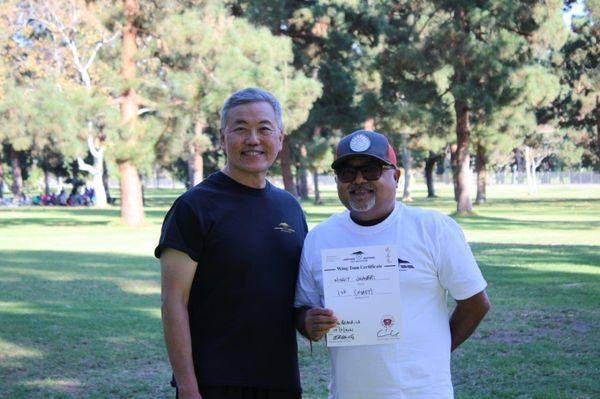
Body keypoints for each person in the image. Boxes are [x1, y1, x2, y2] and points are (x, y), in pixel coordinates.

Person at [294, 130, 490, 399]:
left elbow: (475, 302)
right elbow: (303, 307)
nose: (359, 180)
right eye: (347, 172)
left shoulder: (433, 228)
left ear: (396, 177)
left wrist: (436, 351)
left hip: (422, 393)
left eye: (372, 169)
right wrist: (308, 322)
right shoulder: (320, 238)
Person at [155, 88, 307, 399]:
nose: (253, 139)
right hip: (215, 383)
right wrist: (187, 387)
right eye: (240, 129)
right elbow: (173, 302)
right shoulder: (193, 207)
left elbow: (296, 296)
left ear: (280, 138)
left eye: (264, 129)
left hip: (281, 381)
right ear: (223, 138)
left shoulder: (289, 208)